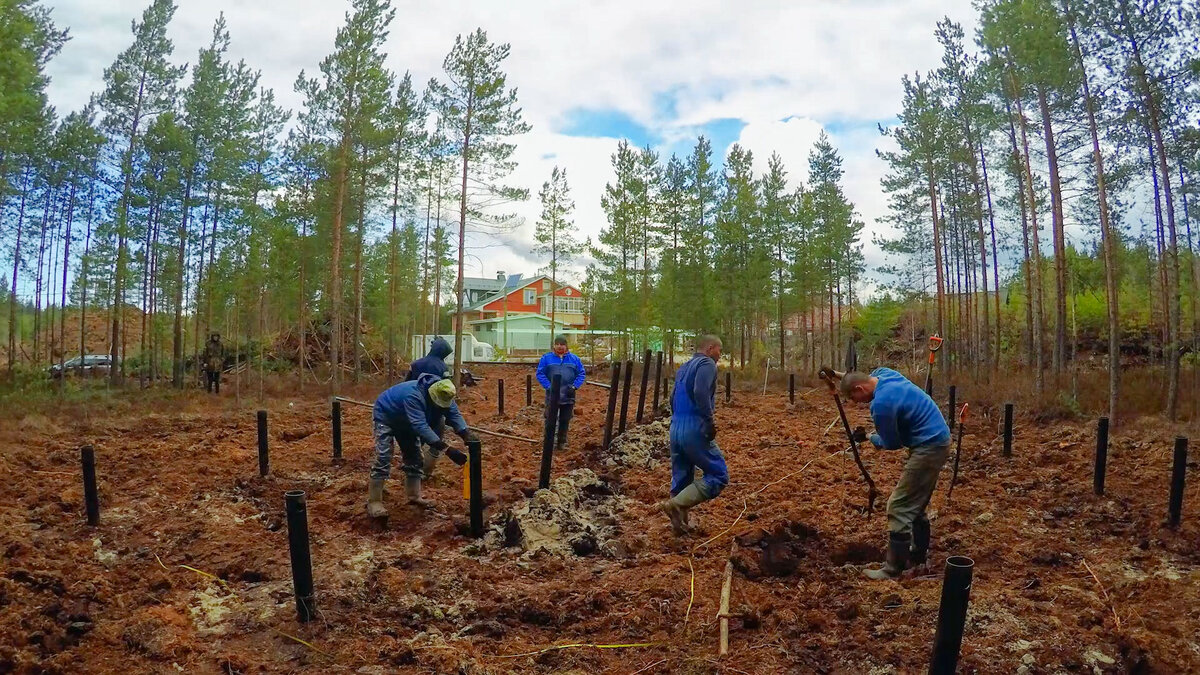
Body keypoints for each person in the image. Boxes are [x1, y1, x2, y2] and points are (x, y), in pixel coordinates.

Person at [841, 367, 951, 580]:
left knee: (899, 506)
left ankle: (893, 569)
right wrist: (837, 376)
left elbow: (892, 443)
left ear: (859, 388)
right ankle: (917, 557)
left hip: (929, 448)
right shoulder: (885, 374)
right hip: (937, 438)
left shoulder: (881, 405)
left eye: (853, 397)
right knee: (915, 505)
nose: (855, 402)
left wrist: (869, 437)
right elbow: (860, 377)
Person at [367, 374, 476, 518]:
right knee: (384, 455)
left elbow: (454, 414)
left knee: (415, 456)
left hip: (407, 421)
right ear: (432, 396)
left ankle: (414, 496)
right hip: (387, 415)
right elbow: (420, 426)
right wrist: (446, 449)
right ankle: (374, 501)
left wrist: (465, 433)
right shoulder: (414, 396)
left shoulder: (446, 394)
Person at [660, 335, 727, 535]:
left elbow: (672, 398)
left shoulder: (684, 367)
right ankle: (676, 504)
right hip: (693, 428)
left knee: (681, 478)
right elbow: (700, 392)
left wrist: (678, 421)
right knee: (718, 475)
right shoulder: (706, 364)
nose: (719, 356)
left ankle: (680, 527)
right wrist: (708, 420)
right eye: (719, 351)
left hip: (676, 427)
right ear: (710, 348)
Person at [406, 336, 454, 477]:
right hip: (436, 407)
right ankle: (426, 471)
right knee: (436, 438)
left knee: (416, 438)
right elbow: (447, 389)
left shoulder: (416, 364)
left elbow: (407, 382)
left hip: (416, 405)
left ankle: (412, 468)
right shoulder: (443, 367)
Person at [536, 336, 586, 452]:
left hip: (568, 395)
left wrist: (574, 387)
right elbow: (540, 374)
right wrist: (549, 387)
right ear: (554, 345)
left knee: (565, 419)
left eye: (562, 344)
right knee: (550, 418)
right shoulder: (547, 358)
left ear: (566, 346)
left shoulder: (574, 359)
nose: (559, 346)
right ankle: (549, 442)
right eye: (557, 344)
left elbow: (581, 374)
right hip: (552, 395)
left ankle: (562, 442)